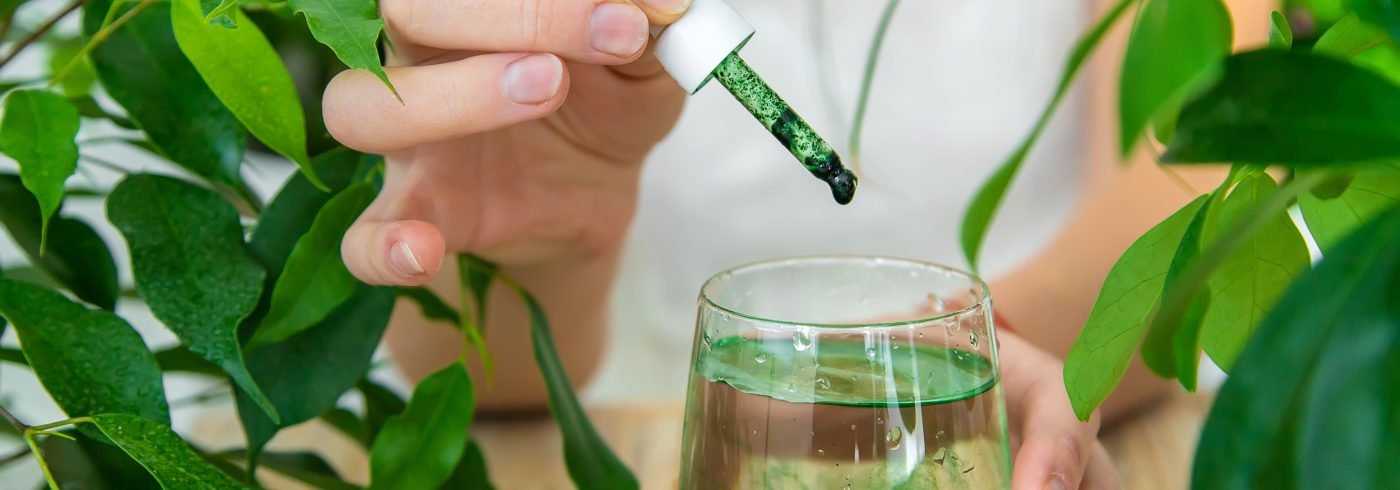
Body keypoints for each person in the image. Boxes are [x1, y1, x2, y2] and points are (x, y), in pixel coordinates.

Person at [321, 0, 1260, 488]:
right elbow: (488, 385)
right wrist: (538, 240)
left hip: (1011, 415)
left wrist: (932, 359)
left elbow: (1194, 199)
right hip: (669, 440)